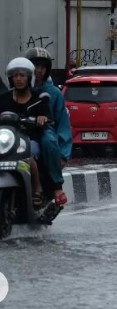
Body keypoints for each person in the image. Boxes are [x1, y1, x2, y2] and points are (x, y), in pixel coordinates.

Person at [0, 58, 50, 208]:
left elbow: (46, 115)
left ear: (29, 77)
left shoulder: (38, 99)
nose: (19, 79)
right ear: (11, 79)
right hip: (7, 139)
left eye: (22, 75)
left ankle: (37, 187)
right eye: (15, 76)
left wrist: (42, 118)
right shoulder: (4, 99)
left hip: (29, 139)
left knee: (30, 158)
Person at [25, 47, 70, 207]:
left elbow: (63, 124)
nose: (38, 70)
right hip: (21, 132)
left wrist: (63, 155)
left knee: (48, 141)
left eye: (43, 67)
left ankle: (56, 187)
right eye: (35, 66)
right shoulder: (17, 91)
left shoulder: (53, 94)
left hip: (43, 131)